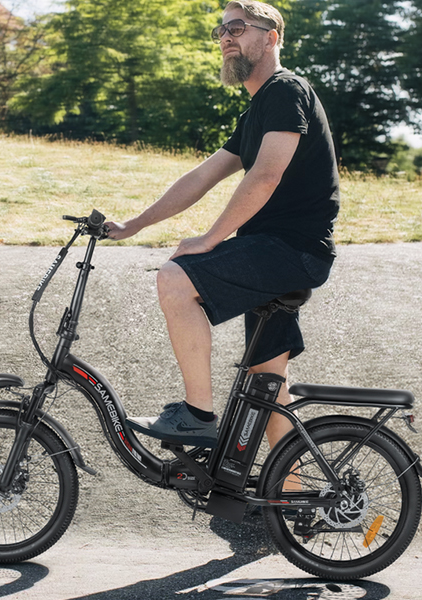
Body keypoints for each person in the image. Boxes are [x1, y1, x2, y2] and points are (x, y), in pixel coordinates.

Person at [109, 0, 339, 451]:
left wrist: (211, 239)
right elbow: (201, 176)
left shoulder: (286, 90)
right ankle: (289, 504)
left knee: (175, 278)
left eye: (237, 27)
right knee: (267, 384)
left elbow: (266, 174)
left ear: (271, 37)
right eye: (221, 32)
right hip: (276, 252)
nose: (226, 38)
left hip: (291, 249)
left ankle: (197, 416)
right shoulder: (257, 111)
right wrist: (134, 224)